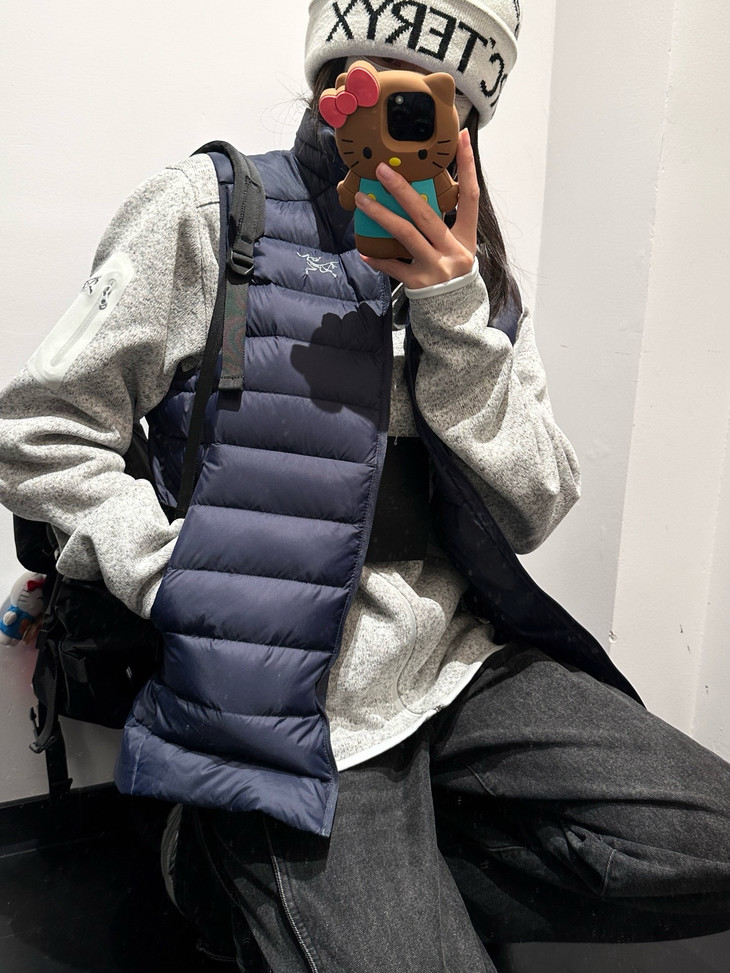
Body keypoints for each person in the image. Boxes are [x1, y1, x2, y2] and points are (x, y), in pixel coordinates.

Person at [1, 2, 730, 971]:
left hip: (458, 667)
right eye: (374, 86)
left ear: (466, 117)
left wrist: (452, 314)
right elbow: (39, 430)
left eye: (430, 103)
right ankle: (226, 858)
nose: (398, 120)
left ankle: (365, 877)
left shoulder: (475, 276)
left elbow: (537, 505)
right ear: (330, 79)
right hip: (294, 707)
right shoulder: (210, 213)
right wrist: (173, 573)